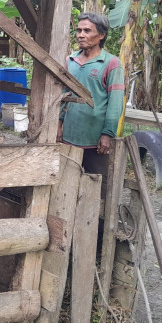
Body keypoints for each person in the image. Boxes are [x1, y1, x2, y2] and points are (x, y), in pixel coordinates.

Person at [57, 12, 125, 194]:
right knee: (66, 186)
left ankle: (97, 223)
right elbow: (64, 94)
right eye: (79, 30)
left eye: (87, 31)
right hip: (69, 136)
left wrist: (107, 133)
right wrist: (59, 123)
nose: (81, 34)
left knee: (95, 187)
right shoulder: (70, 61)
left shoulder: (111, 64)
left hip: (94, 139)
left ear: (101, 35)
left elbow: (116, 102)